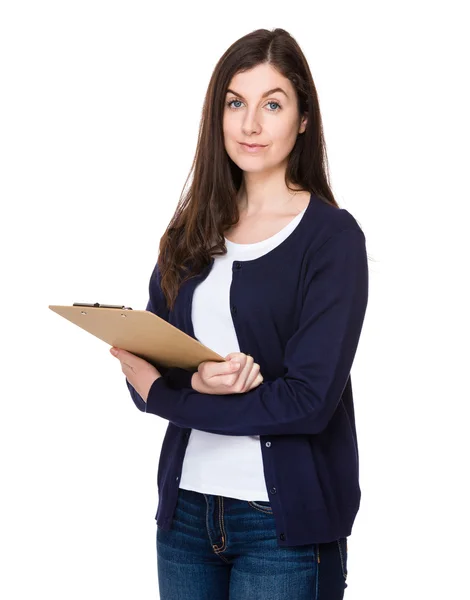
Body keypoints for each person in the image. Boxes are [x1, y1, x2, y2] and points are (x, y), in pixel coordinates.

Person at [110, 27, 369, 600]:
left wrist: (171, 397)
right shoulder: (189, 233)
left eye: (272, 104)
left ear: (303, 119)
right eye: (235, 102)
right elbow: (146, 366)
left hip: (282, 530)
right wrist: (191, 381)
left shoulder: (331, 239)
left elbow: (307, 402)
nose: (250, 124)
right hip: (185, 520)